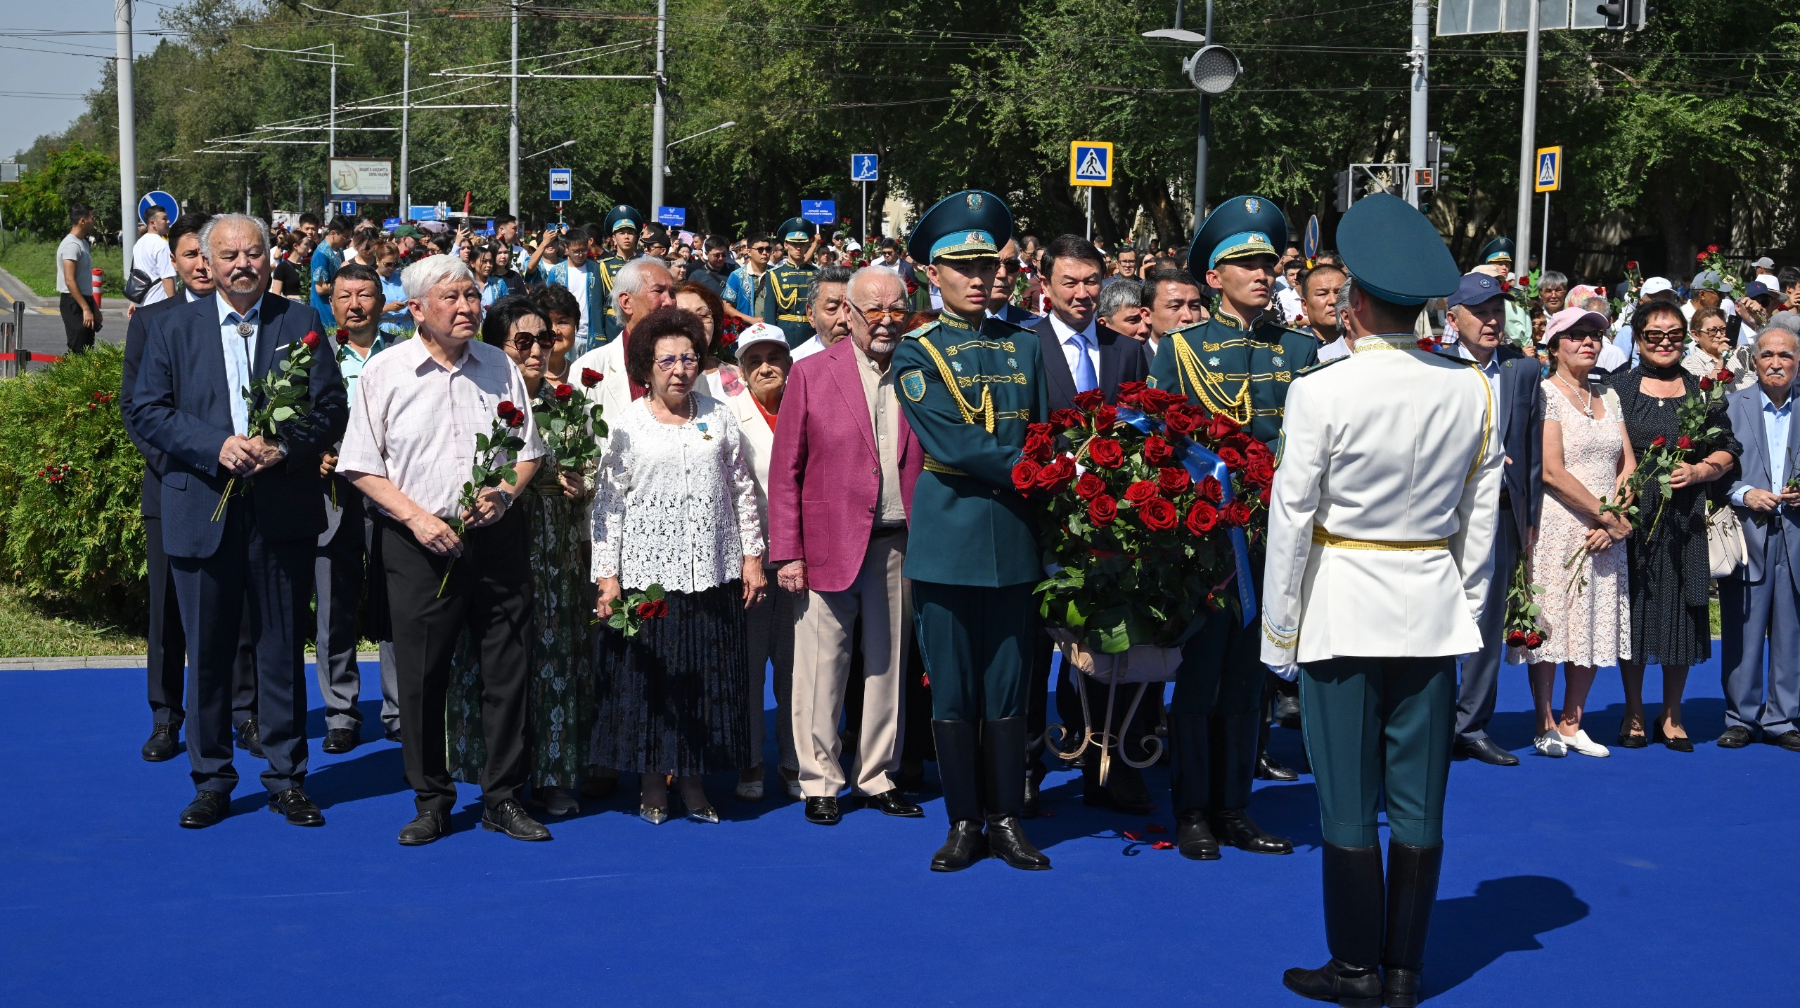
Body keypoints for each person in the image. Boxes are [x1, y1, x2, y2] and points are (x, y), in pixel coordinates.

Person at [1265, 195, 1501, 1008]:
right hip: (1430, 607)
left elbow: (1291, 521)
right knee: (1419, 802)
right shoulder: (1475, 390)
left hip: (1340, 608)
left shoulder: (1320, 390)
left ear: (1356, 301)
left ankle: (1355, 966)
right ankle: (1404, 968)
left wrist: (1280, 633)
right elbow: (1480, 522)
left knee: (1346, 802)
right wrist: (1461, 605)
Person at [127, 213, 349, 829]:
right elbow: (147, 411)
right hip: (202, 507)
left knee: (280, 651)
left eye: (253, 253)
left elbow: (331, 407)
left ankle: (286, 777)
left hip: (281, 512)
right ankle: (211, 779)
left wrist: (284, 449)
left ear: (270, 258)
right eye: (229, 256)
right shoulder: (170, 325)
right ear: (207, 262)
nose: (242, 265)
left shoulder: (299, 321)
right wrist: (214, 445)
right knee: (209, 652)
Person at [339, 254, 551, 847]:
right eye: (453, 298)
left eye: (473, 295)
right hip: (418, 544)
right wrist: (416, 518)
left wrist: (505, 494)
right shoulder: (385, 372)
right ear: (416, 309)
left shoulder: (500, 367)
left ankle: (503, 797)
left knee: (507, 668)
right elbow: (360, 464)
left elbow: (527, 450)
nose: (467, 307)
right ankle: (431, 799)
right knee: (423, 679)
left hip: (496, 539)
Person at [1148, 195, 1316, 860]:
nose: (1261, 272)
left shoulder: (1302, 349)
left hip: (1274, 539)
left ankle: (1236, 807)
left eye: (1267, 262)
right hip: (1205, 542)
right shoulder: (1182, 350)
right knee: (1198, 676)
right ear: (1213, 278)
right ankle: (1192, 809)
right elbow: (1158, 444)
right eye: (1244, 263)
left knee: (1251, 679)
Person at [893, 190, 1051, 872]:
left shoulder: (1025, 344)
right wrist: (1039, 472)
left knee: (1010, 687)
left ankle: (1006, 816)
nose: (982, 277)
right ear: (935, 274)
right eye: (964, 266)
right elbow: (952, 444)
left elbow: (1045, 430)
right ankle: (962, 820)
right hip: (950, 536)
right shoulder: (916, 352)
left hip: (1014, 538)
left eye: (990, 264)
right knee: (954, 689)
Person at [591, 306, 766, 824]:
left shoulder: (719, 416)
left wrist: (753, 556)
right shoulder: (626, 425)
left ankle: (693, 783)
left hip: (713, 572)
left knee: (704, 679)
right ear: (646, 367)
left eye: (689, 357)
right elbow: (608, 506)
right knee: (654, 682)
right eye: (667, 359)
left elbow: (742, 491)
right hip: (649, 580)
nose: (679, 368)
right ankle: (651, 783)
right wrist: (608, 578)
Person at [768, 267, 926, 825]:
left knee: (889, 666)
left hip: (899, 544)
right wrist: (786, 551)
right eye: (872, 310)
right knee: (821, 668)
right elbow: (784, 471)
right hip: (826, 544)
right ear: (848, 315)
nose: (885, 321)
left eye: (896, 310)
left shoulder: (920, 369)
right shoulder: (810, 373)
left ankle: (878, 775)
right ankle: (820, 781)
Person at [441, 295, 595, 816]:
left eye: (544, 340)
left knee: (554, 658)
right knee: (498, 658)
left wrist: (583, 482)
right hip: (498, 542)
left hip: (556, 550)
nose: (536, 351)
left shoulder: (568, 401)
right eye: (522, 341)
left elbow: (597, 466)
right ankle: (496, 775)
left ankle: (553, 776)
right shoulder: (477, 395)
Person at [1028, 234, 1154, 816]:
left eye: (1090, 282)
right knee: (1033, 650)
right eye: (1069, 283)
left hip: (1109, 526)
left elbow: (1141, 428)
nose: (1081, 294)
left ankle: (1107, 764)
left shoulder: (1125, 349)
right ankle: (1029, 765)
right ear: (1045, 286)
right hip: (1038, 518)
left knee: (1107, 644)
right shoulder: (1021, 345)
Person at [1605, 303, 1741, 750]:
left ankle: (1673, 712)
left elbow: (1727, 449)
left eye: (1674, 334)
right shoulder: (1616, 389)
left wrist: (1700, 471)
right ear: (1638, 338)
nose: (1665, 342)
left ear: (1686, 337)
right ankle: (1633, 711)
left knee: (1682, 611)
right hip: (1634, 515)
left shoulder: (1703, 391)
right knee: (1636, 610)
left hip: (1684, 517)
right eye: (1654, 335)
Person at [1519, 308, 1637, 759]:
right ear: (1554, 346)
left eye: (1594, 335)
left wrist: (1614, 519)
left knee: (1592, 621)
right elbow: (1551, 470)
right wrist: (1607, 517)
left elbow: (1626, 464)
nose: (1588, 342)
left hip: (1606, 531)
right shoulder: (1546, 394)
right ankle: (1545, 722)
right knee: (1554, 622)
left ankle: (1573, 722)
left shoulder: (1610, 395)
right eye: (1576, 335)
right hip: (1561, 526)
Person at [122, 211, 215, 762]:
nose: (203, 264)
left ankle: (243, 712)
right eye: (191, 255)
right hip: (172, 486)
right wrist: (179, 466)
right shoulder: (152, 321)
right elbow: (137, 409)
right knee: (168, 612)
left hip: (238, 487)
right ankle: (165, 716)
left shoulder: (250, 320)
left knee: (242, 611)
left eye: (211, 254)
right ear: (173, 264)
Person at [1446, 272, 1543, 767]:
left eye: (1497, 312)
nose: (1490, 321)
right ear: (1452, 317)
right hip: (1443, 512)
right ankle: (1432, 722)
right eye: (1480, 312)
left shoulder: (1522, 370)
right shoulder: (1433, 366)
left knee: (1489, 616)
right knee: (1438, 611)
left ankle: (1472, 724)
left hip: (1505, 511)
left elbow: (1530, 452)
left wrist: (1531, 519)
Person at [315, 262, 400, 753]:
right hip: (334, 493)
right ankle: (341, 713)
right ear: (333, 304)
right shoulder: (315, 353)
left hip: (392, 492)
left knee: (394, 601)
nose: (355, 304)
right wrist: (316, 451)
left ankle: (398, 708)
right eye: (345, 296)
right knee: (334, 605)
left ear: (381, 301)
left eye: (364, 294)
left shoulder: (406, 353)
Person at [717, 322, 801, 798]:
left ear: (789, 363)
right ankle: (750, 762)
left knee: (796, 669)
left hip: (798, 561)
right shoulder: (729, 415)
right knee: (747, 669)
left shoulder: (804, 406)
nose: (766, 367)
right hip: (747, 562)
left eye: (775, 357)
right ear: (742, 371)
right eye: (755, 360)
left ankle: (793, 761)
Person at [1719, 327, 1800, 751]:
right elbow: (1716, 474)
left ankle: (1783, 718)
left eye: (1784, 355)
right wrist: (1744, 493)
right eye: (1766, 354)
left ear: (1797, 361)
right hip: (1747, 535)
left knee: (1792, 632)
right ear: (1753, 360)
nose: (1775, 363)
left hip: (1797, 536)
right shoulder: (1731, 406)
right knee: (1742, 630)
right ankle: (1741, 717)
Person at [569, 257, 678, 452]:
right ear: (626, 302)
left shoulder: (689, 365)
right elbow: (579, 450)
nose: (669, 302)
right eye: (658, 291)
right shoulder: (590, 368)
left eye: (672, 293)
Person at [590, 205, 645, 344]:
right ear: (614, 238)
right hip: (612, 326)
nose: (626, 237)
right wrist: (599, 336)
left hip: (640, 323)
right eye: (621, 233)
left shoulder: (645, 264)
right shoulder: (603, 266)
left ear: (636, 236)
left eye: (630, 233)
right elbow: (596, 306)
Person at [765, 217, 822, 346]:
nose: (798, 248)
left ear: (808, 245)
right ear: (786, 245)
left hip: (811, 332)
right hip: (784, 332)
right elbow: (770, 312)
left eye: (802, 244)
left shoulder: (817, 273)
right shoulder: (774, 274)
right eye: (794, 244)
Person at [57, 203, 101, 353]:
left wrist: (93, 307)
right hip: (73, 303)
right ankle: (72, 377)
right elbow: (70, 280)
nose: (94, 221)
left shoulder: (83, 243)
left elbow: (84, 281)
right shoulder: (71, 245)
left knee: (87, 349)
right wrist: (85, 308)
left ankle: (85, 377)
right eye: (92, 218)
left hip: (84, 299)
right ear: (83, 220)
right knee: (78, 347)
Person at [789, 265, 854, 362]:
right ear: (811, 314)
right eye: (832, 309)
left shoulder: (880, 359)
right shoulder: (795, 364)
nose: (844, 319)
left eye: (850, 308)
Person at [1142, 266, 1208, 360]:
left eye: (1194, 306)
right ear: (1147, 315)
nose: (1188, 316)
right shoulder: (1135, 365)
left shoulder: (1213, 360)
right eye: (1175, 307)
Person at [1684, 306, 1757, 391]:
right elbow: (1703, 394)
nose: (1719, 335)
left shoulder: (1740, 352)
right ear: (1696, 335)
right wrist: (1722, 360)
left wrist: (1757, 320)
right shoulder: (1691, 363)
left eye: (1723, 329)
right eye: (1712, 331)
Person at [1296, 262, 1349, 360]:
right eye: (1322, 294)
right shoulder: (1294, 347)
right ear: (1304, 305)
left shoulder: (1363, 342)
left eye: (1339, 292)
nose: (1333, 300)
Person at [986, 239, 1041, 326]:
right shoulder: (959, 329)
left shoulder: (1037, 327)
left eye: (1011, 265)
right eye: (993, 265)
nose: (1002, 274)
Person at [310, 216, 351, 329]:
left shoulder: (339, 250)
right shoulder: (321, 254)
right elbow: (320, 288)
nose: (346, 241)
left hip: (337, 310)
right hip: (325, 313)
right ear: (333, 233)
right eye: (345, 237)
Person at [724, 232, 773, 325]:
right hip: (746, 330)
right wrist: (750, 320)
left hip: (772, 329)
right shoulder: (737, 275)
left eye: (768, 249)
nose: (765, 253)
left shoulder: (776, 273)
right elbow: (727, 306)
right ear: (749, 252)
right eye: (760, 249)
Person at [133, 205, 177, 307]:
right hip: (159, 304)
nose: (168, 222)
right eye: (164, 219)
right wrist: (175, 305)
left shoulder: (138, 244)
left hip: (141, 304)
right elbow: (167, 278)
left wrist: (133, 301)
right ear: (153, 223)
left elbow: (136, 276)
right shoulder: (162, 244)